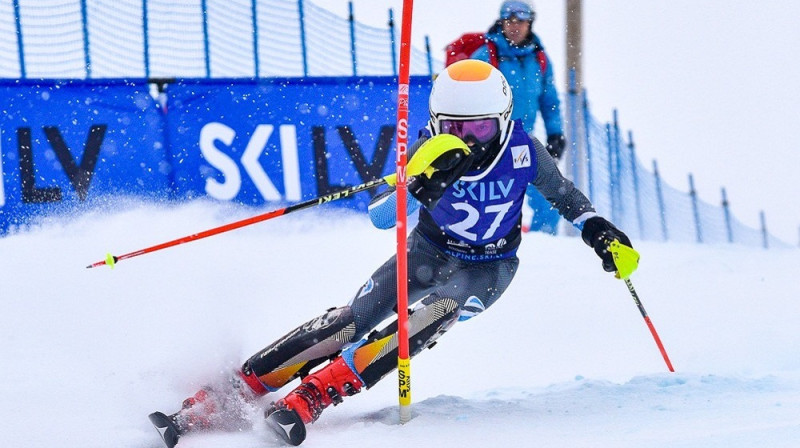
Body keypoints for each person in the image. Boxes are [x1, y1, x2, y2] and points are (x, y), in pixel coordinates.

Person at [148, 59, 636, 447]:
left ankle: (314, 396)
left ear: (503, 120)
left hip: (488, 267)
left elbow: (566, 197)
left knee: (427, 317)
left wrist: (600, 233)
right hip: (427, 250)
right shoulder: (429, 146)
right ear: (436, 122)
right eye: (456, 128)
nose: (469, 141)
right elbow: (382, 218)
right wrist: (417, 183)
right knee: (350, 319)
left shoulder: (524, 150)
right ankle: (234, 390)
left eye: (481, 130)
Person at [470, 0, 565, 235]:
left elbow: (550, 101)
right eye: (509, 21)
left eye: (521, 21)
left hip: (522, 140)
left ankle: (544, 248)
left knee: (550, 195)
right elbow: (467, 98)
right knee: (484, 198)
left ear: (529, 23)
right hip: (488, 143)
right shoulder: (485, 56)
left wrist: (555, 133)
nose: (515, 26)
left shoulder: (539, 60)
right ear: (501, 22)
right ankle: (480, 243)